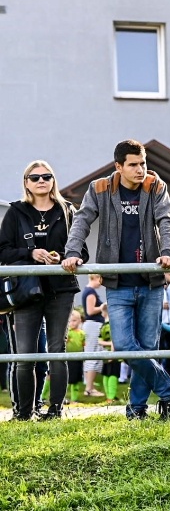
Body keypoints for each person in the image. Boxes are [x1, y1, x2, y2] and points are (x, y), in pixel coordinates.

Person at [61, 140, 170, 421]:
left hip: (152, 282)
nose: (140, 169)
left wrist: (167, 252)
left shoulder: (155, 186)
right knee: (124, 345)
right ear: (118, 166)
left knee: (147, 348)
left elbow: (167, 221)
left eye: (142, 163)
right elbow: (82, 221)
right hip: (118, 283)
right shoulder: (100, 188)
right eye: (133, 164)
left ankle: (137, 409)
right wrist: (71, 252)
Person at [1, 160, 78, 421]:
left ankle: (55, 410)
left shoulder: (67, 210)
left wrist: (65, 258)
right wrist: (30, 253)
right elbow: (3, 251)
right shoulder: (16, 212)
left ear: (54, 180)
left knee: (57, 349)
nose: (41, 181)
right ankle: (24, 413)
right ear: (26, 183)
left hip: (61, 288)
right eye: (35, 178)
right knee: (25, 354)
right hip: (25, 290)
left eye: (47, 176)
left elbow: (81, 251)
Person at [80, 273, 108, 398]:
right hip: (93, 325)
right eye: (100, 279)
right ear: (95, 278)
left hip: (91, 325)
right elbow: (90, 311)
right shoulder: (90, 292)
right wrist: (103, 306)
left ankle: (89, 385)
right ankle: (89, 389)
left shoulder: (88, 291)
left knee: (91, 354)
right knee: (94, 355)